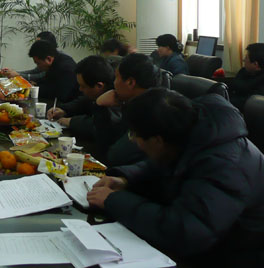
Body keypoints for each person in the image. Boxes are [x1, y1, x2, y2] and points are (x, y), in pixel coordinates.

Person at [87, 88, 264, 267]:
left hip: (233, 254)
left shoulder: (225, 166)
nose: (133, 140)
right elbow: (162, 165)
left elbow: (185, 232)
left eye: (134, 135)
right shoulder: (189, 132)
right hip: (207, 241)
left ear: (157, 140)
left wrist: (113, 200)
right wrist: (127, 179)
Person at [95, 53, 161, 166]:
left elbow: (112, 156)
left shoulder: (148, 114)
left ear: (130, 82)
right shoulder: (140, 103)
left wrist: (99, 107)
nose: (113, 83)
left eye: (116, 77)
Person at [47, 55, 116, 145]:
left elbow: (100, 126)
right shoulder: (97, 92)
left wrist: (71, 122)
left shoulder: (115, 98)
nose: (80, 89)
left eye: (83, 86)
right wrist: (64, 110)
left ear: (99, 86)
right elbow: (83, 101)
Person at [229, 43, 264, 111]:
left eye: (246, 58)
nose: (243, 60)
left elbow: (246, 104)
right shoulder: (243, 71)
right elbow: (231, 87)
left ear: (255, 64)